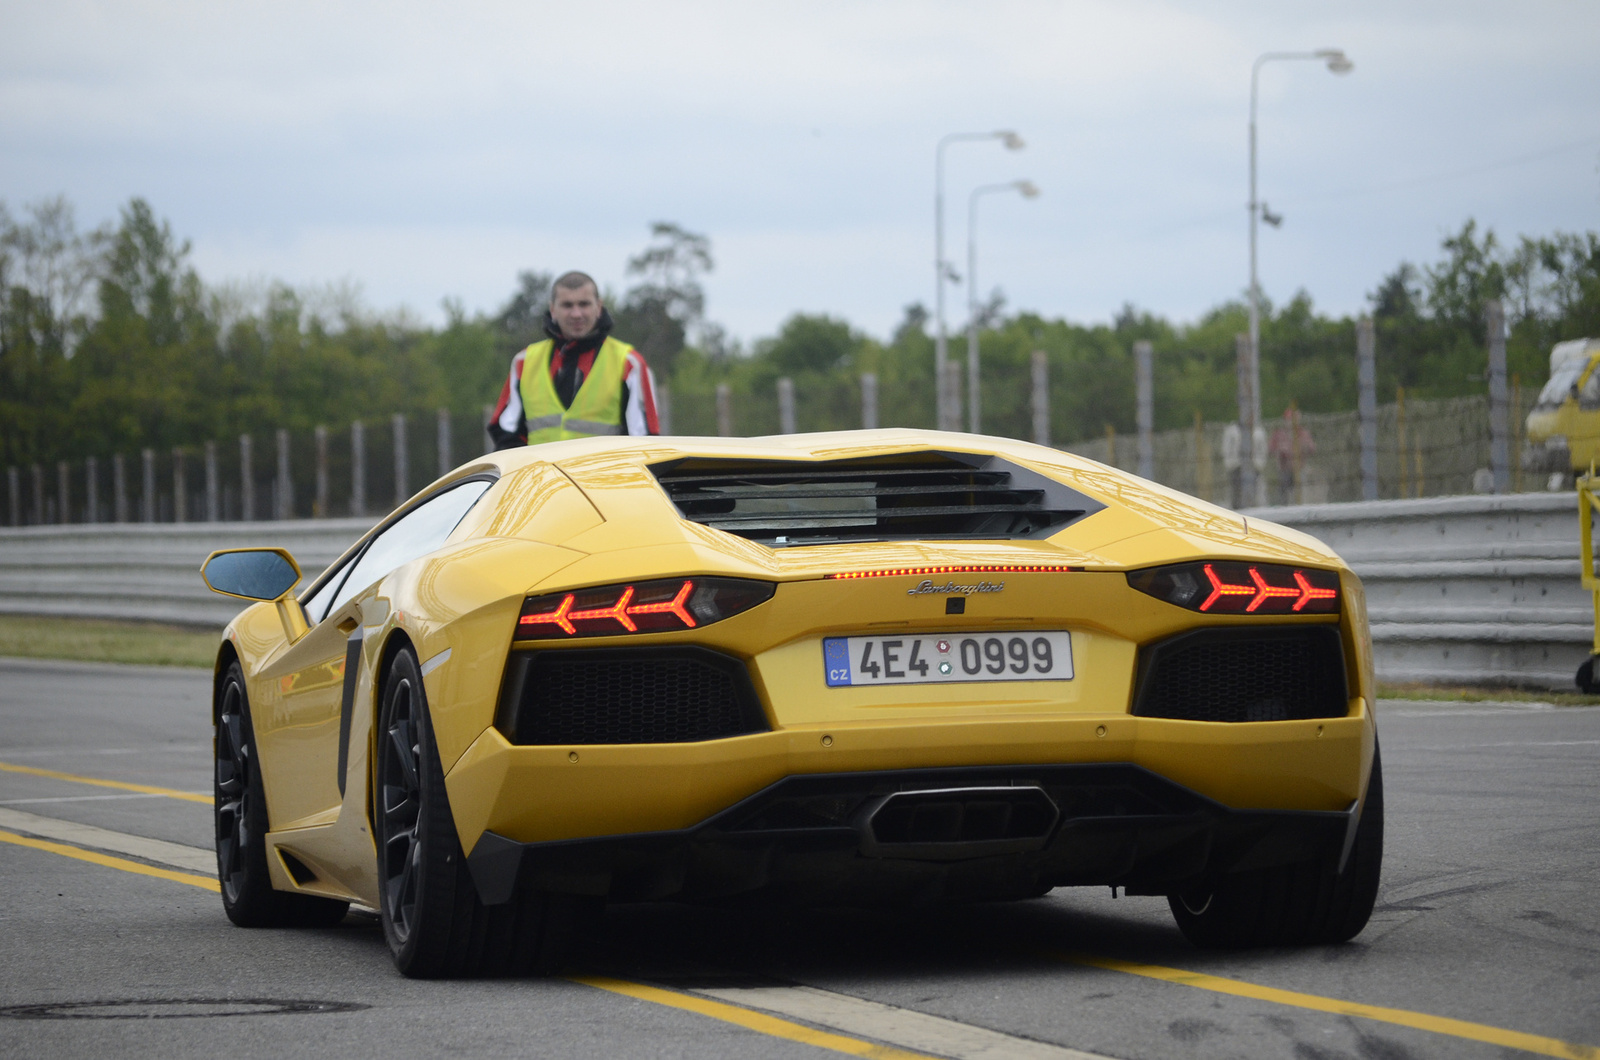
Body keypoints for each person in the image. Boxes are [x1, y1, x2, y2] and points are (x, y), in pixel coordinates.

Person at [488, 271, 660, 448]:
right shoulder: (524, 362)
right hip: (541, 475)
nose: (576, 314)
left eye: (584, 304)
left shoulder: (629, 364)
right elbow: (505, 435)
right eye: (567, 305)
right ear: (553, 309)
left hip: (603, 475)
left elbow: (645, 443)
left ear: (598, 307)